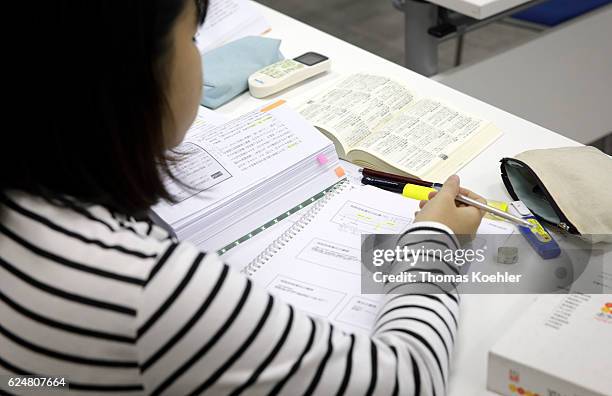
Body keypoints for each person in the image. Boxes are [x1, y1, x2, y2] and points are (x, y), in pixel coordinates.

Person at [0, 1, 485, 394]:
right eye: (191, 38)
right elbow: (408, 379)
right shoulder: (148, 291)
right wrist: (434, 243)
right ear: (129, 78)